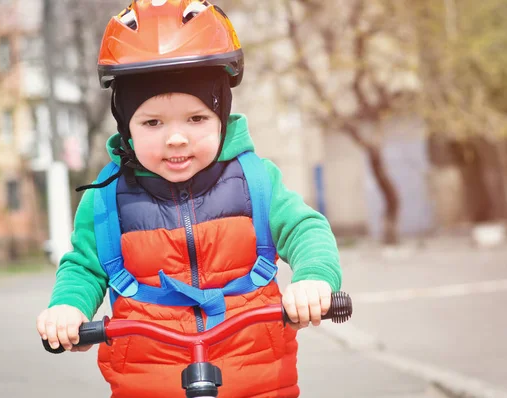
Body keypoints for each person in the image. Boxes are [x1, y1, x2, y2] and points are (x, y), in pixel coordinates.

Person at [36, 1, 342, 397]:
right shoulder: (107, 199)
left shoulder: (256, 180)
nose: (175, 137)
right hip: (147, 382)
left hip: (258, 380)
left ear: (221, 117)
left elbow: (306, 229)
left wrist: (313, 279)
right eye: (152, 123)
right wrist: (69, 309)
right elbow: (84, 267)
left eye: (196, 118)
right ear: (126, 127)